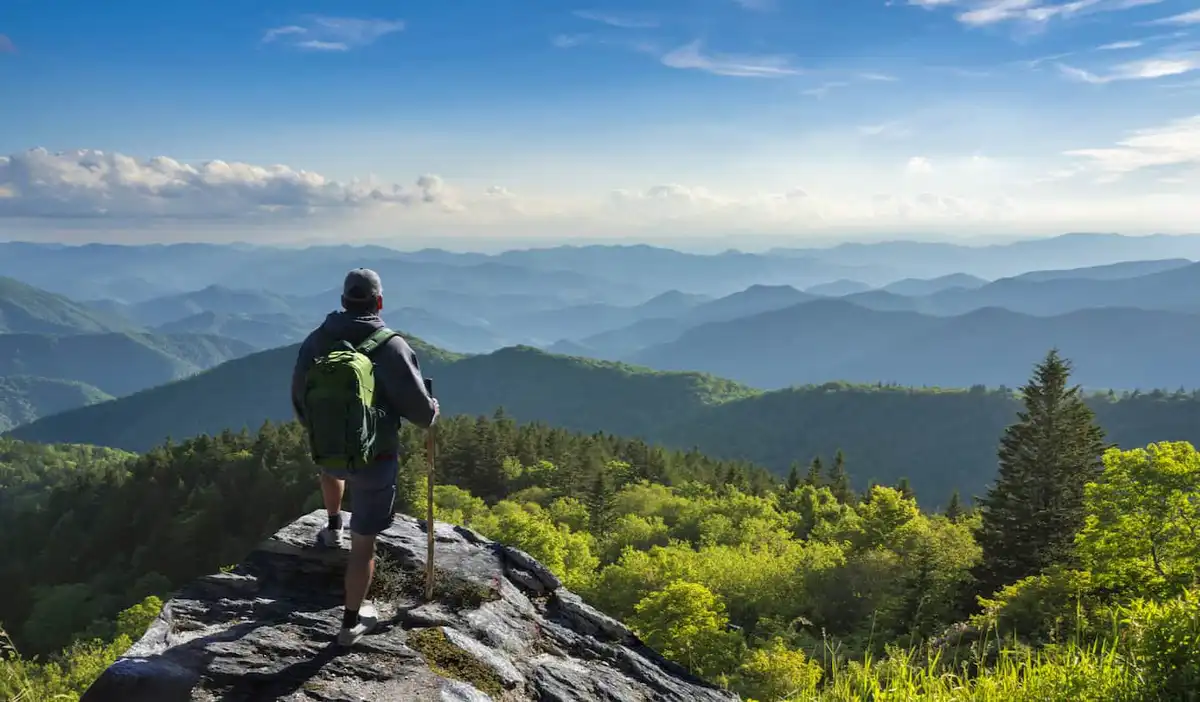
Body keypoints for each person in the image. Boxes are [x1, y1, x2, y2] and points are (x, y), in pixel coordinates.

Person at [291, 267, 439, 646]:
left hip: (329, 452)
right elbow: (422, 414)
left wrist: (321, 431)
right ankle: (350, 624)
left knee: (332, 470)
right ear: (379, 302)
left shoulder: (316, 341)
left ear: (342, 301)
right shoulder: (392, 347)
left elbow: (299, 398)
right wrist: (433, 407)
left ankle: (332, 525)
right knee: (364, 547)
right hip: (376, 459)